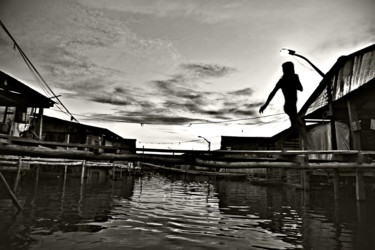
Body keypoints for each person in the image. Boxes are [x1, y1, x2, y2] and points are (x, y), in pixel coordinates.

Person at [259, 61, 310, 150]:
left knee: (300, 126)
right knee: (293, 127)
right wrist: (295, 80)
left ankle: (308, 146)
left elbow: (272, 93)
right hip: (291, 106)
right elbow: (301, 88)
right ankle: (279, 142)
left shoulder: (282, 81)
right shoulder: (294, 77)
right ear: (292, 69)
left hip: (288, 106)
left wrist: (265, 105)